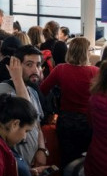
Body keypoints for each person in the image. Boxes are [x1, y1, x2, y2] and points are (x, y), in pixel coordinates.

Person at [39, 37, 99, 167]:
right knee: (88, 159)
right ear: (86, 52)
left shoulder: (60, 69)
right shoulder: (96, 72)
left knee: (66, 159)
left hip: (66, 120)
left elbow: (42, 90)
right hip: (89, 121)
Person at [0, 45, 47, 166]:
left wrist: (41, 149)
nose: (35, 70)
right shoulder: (4, 89)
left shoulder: (32, 91)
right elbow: (27, 113)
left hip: (32, 160)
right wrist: (16, 78)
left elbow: (36, 123)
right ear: (16, 66)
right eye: (29, 64)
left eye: (38, 65)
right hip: (14, 163)